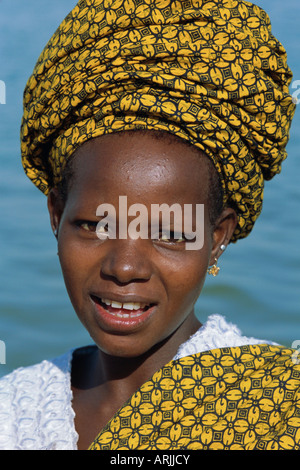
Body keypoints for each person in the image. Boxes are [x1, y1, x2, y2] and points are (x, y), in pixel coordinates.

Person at [0, 0, 299, 451]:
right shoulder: (12, 410)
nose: (124, 267)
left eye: (170, 233)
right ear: (55, 215)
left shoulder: (280, 405)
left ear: (217, 237)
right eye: (96, 225)